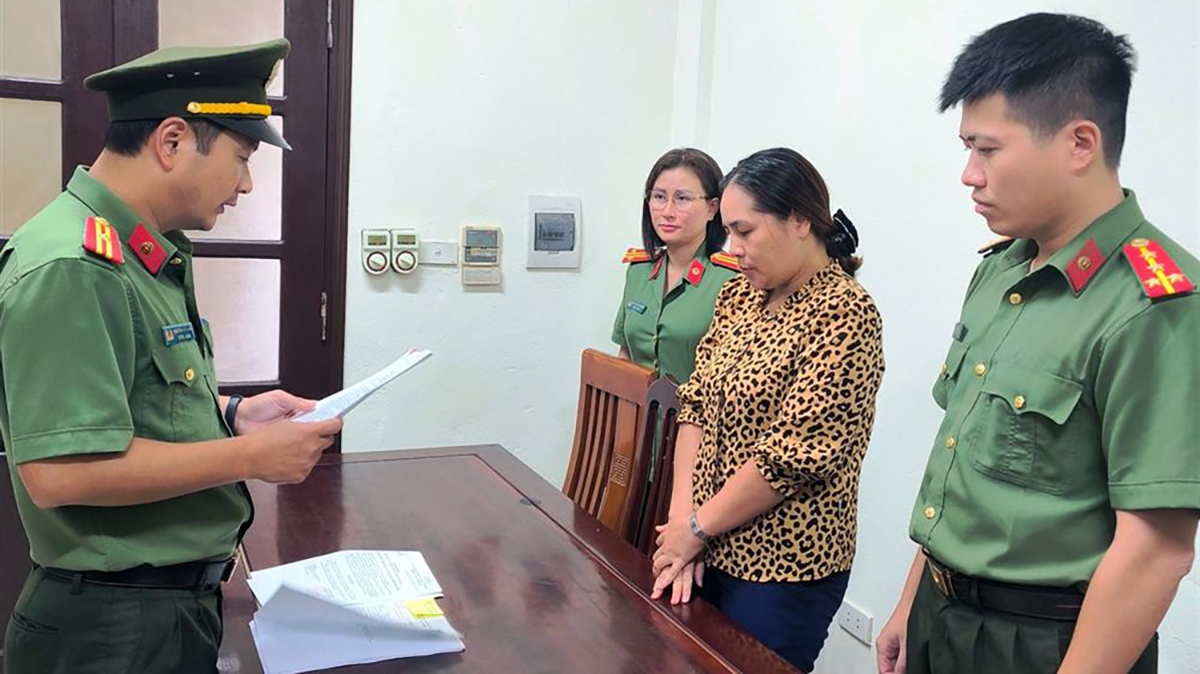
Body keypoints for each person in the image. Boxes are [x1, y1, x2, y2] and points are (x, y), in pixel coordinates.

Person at [0, 39, 343, 674]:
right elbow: (60, 472)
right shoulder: (72, 266)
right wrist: (251, 457)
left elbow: (127, 402)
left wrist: (233, 411)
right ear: (173, 140)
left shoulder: (142, 252)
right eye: (242, 158)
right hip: (111, 630)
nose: (245, 184)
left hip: (159, 610)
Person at [876, 14, 1199, 674]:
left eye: (987, 149)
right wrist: (914, 599)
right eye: (966, 147)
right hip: (944, 615)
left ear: (1080, 142)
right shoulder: (1000, 272)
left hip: (1047, 645)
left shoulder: (1155, 304)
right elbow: (961, 461)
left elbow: (1157, 548)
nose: (969, 174)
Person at [651, 147, 885, 673]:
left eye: (745, 231)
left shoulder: (845, 314)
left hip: (782, 567)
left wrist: (696, 528)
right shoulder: (739, 297)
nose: (734, 249)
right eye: (730, 233)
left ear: (800, 220)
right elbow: (696, 406)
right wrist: (680, 523)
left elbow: (792, 456)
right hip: (706, 543)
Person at [613, 148, 739, 384]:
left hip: (694, 418)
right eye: (659, 197)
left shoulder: (732, 281)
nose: (667, 212)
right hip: (637, 416)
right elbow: (625, 354)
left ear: (712, 208)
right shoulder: (638, 270)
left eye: (682, 198)